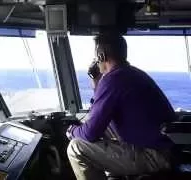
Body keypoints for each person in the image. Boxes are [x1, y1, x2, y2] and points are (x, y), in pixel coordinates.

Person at [66, 33, 176, 180]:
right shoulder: (132, 74)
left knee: (76, 147)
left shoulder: (113, 80)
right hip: (166, 148)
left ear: (101, 56)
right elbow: (99, 113)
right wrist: (97, 82)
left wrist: (72, 131)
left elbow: (91, 132)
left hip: (155, 155)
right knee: (97, 129)